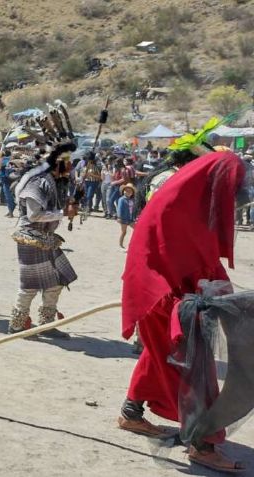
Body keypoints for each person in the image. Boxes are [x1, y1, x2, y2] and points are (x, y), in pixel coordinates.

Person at [117, 151, 252, 474]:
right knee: (194, 366)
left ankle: (131, 414)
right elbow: (172, 260)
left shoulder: (192, 200)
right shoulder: (179, 206)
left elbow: (201, 256)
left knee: (158, 355)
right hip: (159, 292)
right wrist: (194, 301)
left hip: (165, 290)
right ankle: (202, 445)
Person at [9, 105, 78, 339]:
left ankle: (45, 325)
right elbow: (34, 215)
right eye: (66, 162)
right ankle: (17, 324)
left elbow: (57, 209)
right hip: (30, 237)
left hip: (47, 239)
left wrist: (70, 206)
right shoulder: (37, 182)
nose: (70, 168)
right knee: (30, 285)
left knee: (57, 280)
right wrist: (61, 212)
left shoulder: (57, 183)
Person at [116, 183, 136, 249]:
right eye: (126, 191)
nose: (128, 192)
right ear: (123, 191)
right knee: (124, 232)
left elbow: (134, 209)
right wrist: (119, 217)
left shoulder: (133, 200)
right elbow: (119, 209)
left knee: (136, 229)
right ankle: (120, 245)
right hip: (124, 218)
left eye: (129, 191)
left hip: (131, 219)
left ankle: (133, 244)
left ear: (132, 193)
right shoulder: (121, 199)